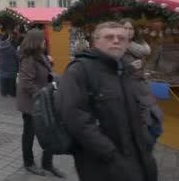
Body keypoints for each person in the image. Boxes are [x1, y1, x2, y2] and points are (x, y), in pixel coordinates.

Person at [59, 22, 158, 181]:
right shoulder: (80, 70)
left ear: (127, 43)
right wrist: (109, 153)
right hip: (102, 163)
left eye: (121, 38)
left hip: (138, 155)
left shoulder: (126, 69)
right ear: (96, 41)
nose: (116, 41)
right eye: (109, 37)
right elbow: (74, 118)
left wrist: (146, 140)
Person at [17, 30, 65, 178]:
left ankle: (47, 163)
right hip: (32, 103)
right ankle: (29, 162)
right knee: (30, 134)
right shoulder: (28, 59)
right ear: (35, 42)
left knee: (49, 131)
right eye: (43, 41)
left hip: (42, 101)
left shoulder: (41, 56)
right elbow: (26, 83)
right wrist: (42, 95)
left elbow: (44, 74)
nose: (45, 43)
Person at [120, 19, 164, 141]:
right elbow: (110, 72)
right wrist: (129, 68)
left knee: (154, 123)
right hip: (127, 92)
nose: (128, 31)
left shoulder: (140, 45)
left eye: (130, 29)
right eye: (125, 28)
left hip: (142, 89)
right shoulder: (116, 48)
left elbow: (148, 58)